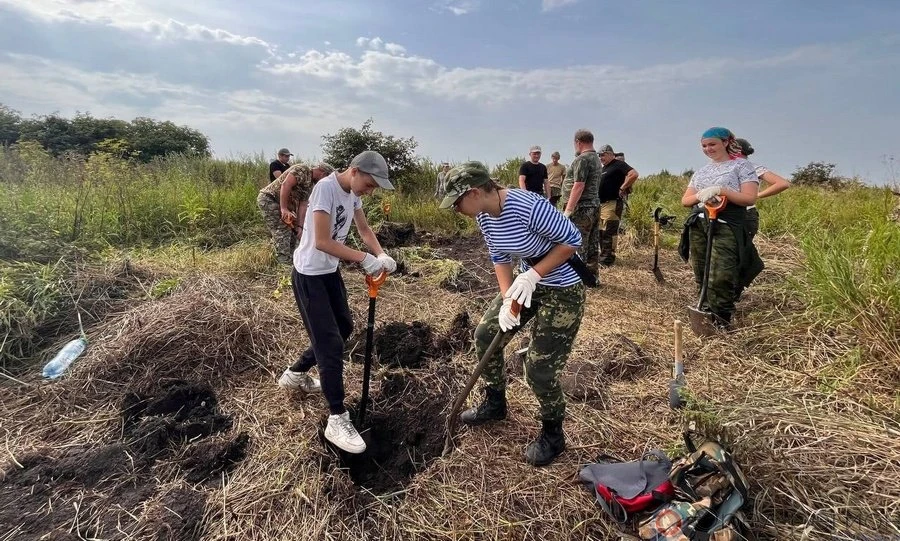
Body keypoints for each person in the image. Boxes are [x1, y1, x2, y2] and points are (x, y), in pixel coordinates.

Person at [439, 161, 585, 466]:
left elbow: (572, 241)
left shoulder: (528, 206)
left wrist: (534, 275)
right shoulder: (485, 217)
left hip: (561, 289)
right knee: (485, 334)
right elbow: (499, 257)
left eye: (456, 203)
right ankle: (495, 402)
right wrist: (508, 300)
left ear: (475, 192)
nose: (456, 210)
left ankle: (553, 434)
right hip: (523, 285)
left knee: (539, 369)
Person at [277, 150, 398, 454]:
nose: (370, 191)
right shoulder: (325, 190)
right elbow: (322, 241)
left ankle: (295, 374)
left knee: (343, 328)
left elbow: (364, 229)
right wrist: (363, 259)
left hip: (329, 273)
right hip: (309, 277)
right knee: (329, 344)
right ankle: (336, 418)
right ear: (355, 171)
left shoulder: (352, 195)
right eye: (370, 184)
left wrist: (380, 254)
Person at [678, 128, 764, 329]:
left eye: (712, 144)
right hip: (699, 223)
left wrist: (722, 190)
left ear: (726, 142)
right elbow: (686, 200)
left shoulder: (742, 166)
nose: (708, 149)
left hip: (726, 223)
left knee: (721, 273)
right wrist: (700, 196)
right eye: (704, 146)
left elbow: (749, 198)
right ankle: (705, 310)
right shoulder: (701, 171)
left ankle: (722, 320)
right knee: (701, 270)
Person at [257, 162, 334, 264]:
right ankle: (282, 263)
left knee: (293, 231)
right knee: (282, 229)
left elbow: (303, 205)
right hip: (269, 199)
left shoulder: (310, 185)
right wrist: (284, 208)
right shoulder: (302, 170)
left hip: (286, 205)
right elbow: (286, 185)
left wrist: (300, 226)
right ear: (323, 173)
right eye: (326, 178)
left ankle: (293, 259)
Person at [560, 130, 602, 282]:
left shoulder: (582, 159)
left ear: (578, 142)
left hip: (582, 208)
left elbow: (578, 185)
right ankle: (592, 277)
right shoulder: (596, 158)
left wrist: (568, 210)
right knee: (592, 243)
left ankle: (579, 279)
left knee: (578, 243)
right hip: (594, 206)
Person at [734, 138, 791, 239]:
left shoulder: (751, 167)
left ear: (737, 151)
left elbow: (782, 183)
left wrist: (756, 196)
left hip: (744, 214)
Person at [597, 145, 639, 266]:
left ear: (611, 154)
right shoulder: (604, 168)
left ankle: (608, 259)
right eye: (599, 155)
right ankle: (603, 255)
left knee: (609, 231)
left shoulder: (618, 164)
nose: (601, 157)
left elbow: (634, 174)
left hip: (612, 203)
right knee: (601, 231)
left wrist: (623, 187)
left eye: (603, 155)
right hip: (601, 204)